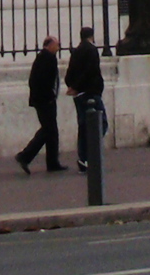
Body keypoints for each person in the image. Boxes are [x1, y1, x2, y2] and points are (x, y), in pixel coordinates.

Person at [17, 33, 66, 174]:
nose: (58, 47)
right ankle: (25, 156)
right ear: (49, 45)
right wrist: (49, 96)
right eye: (56, 44)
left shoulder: (44, 58)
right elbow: (43, 81)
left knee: (51, 131)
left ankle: (52, 162)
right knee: (48, 130)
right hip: (45, 100)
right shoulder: (47, 59)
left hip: (43, 99)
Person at [64, 25, 106, 171]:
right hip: (90, 92)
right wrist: (79, 85)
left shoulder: (76, 51)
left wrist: (72, 86)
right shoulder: (92, 50)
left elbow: (69, 73)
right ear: (91, 36)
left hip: (79, 94)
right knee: (100, 124)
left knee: (83, 126)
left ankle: (83, 157)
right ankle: (91, 154)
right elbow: (91, 71)